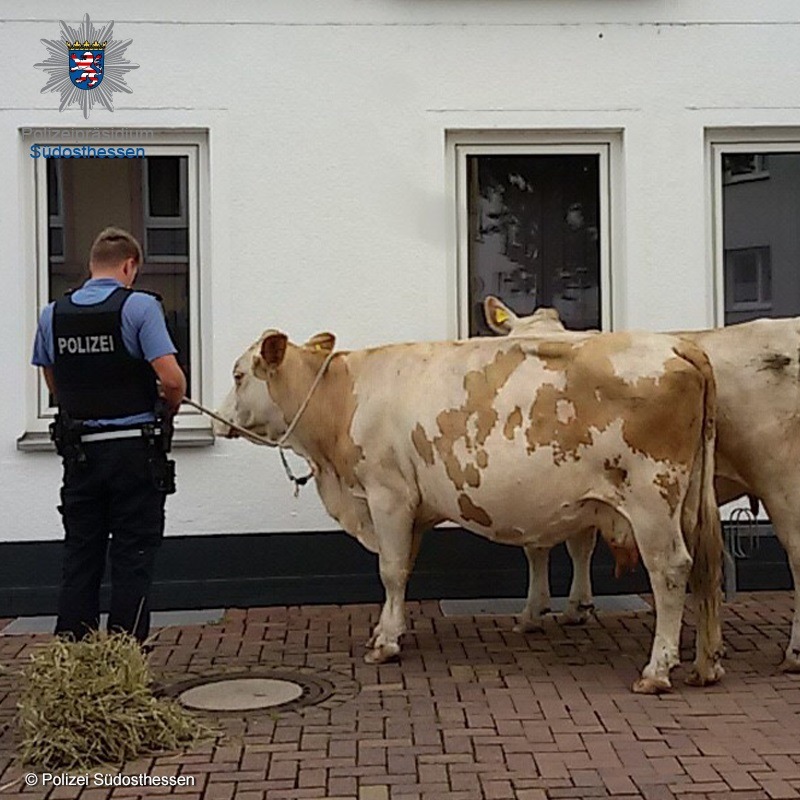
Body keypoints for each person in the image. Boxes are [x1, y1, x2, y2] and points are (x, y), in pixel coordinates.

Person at [31, 227, 187, 644]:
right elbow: (171, 380)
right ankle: (124, 658)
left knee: (81, 553)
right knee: (132, 555)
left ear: (90, 266)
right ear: (129, 265)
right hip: (133, 453)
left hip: (80, 455)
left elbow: (54, 382)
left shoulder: (53, 314)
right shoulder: (139, 308)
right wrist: (168, 407)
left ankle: (73, 659)